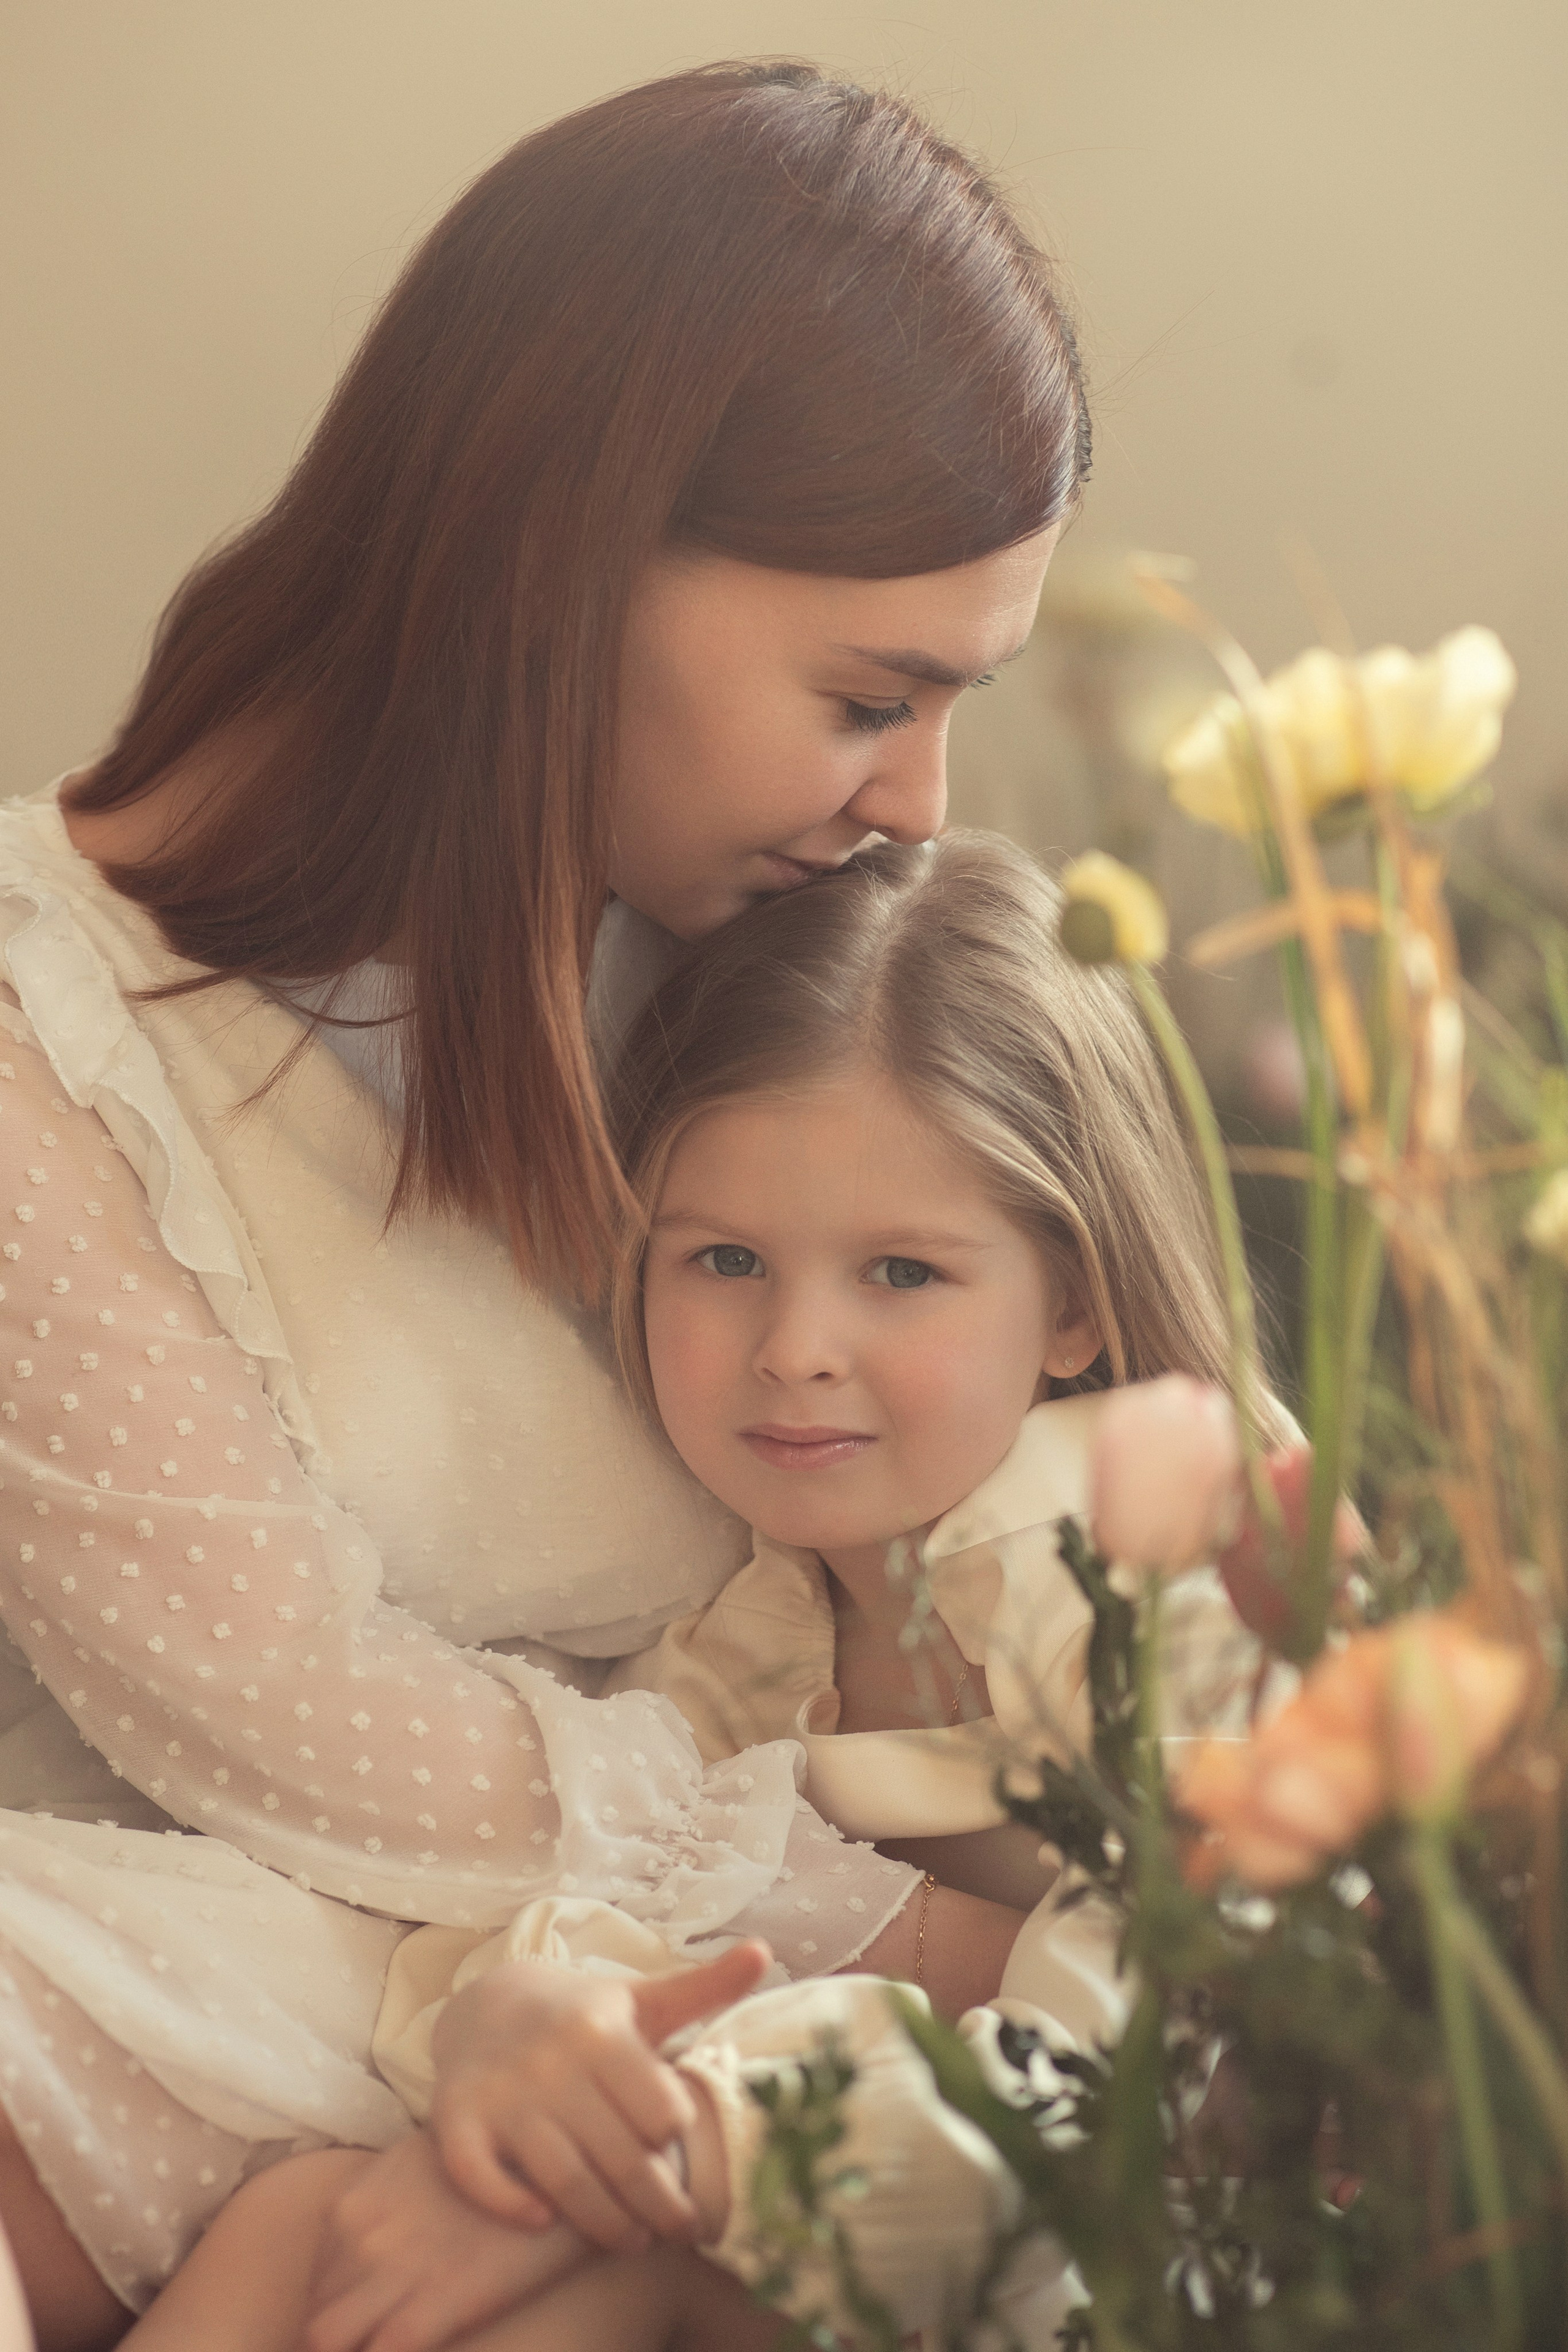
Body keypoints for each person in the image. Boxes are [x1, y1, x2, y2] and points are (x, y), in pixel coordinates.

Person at [0, 59, 1090, 2350]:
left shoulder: (753, 966)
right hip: (216, 2080)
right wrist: (1001, 1971)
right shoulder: (43, 1044)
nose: (922, 801)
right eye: (870, 697)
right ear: (564, 568)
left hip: (635, 2110)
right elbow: (304, 1741)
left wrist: (661, 2093)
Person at [124, 832, 1280, 2352]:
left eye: (900, 1274)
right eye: (725, 1260)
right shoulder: (744, 1640)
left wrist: (716, 2143)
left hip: (1138, 2251)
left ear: (1070, 1304)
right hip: (867, 2222)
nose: (794, 1348)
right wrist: (523, 2021)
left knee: (573, 2265)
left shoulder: (1144, 1555)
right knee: (308, 2223)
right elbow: (593, 1901)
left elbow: (1170, 2056)